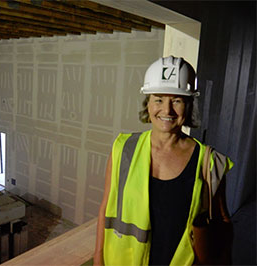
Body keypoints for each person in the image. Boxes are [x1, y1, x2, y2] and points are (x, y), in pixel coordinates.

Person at [93, 56, 233, 265]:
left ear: (188, 105)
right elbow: (105, 208)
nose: (167, 110)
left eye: (177, 100)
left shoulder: (209, 162)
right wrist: (98, 258)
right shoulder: (123, 148)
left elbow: (222, 223)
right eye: (158, 99)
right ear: (148, 103)